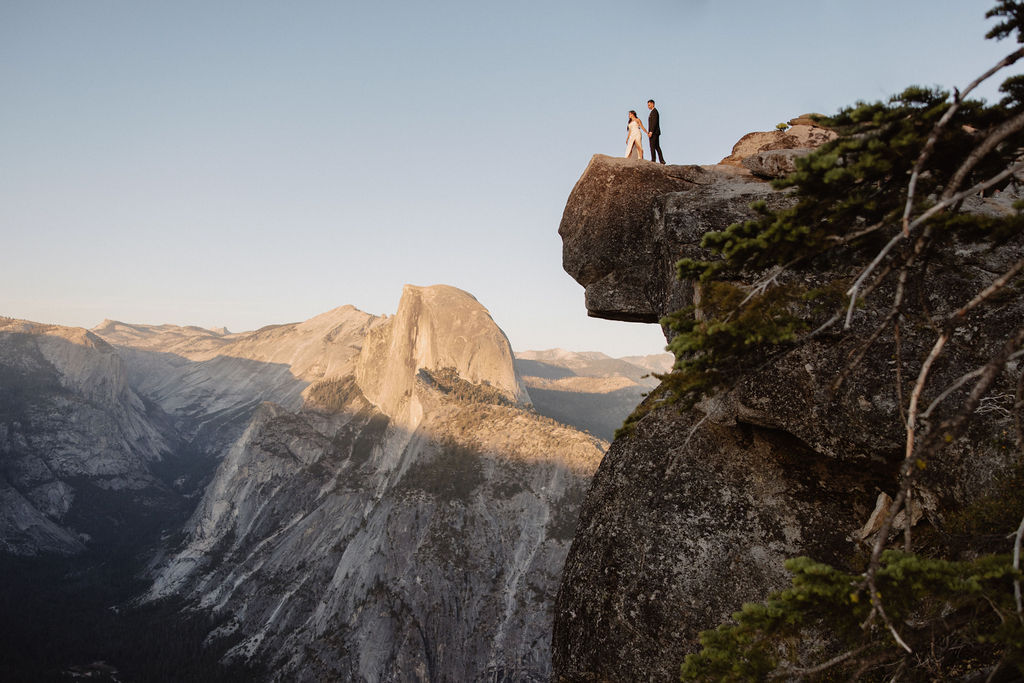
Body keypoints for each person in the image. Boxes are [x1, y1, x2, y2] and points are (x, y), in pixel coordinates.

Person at [647, 99, 665, 164]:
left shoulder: (654, 112)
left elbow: (654, 122)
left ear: (653, 104)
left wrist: (651, 131)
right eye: (648, 105)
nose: (648, 106)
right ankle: (662, 160)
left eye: (649, 105)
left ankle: (653, 159)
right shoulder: (653, 112)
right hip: (655, 132)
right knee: (657, 146)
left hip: (654, 132)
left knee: (652, 146)